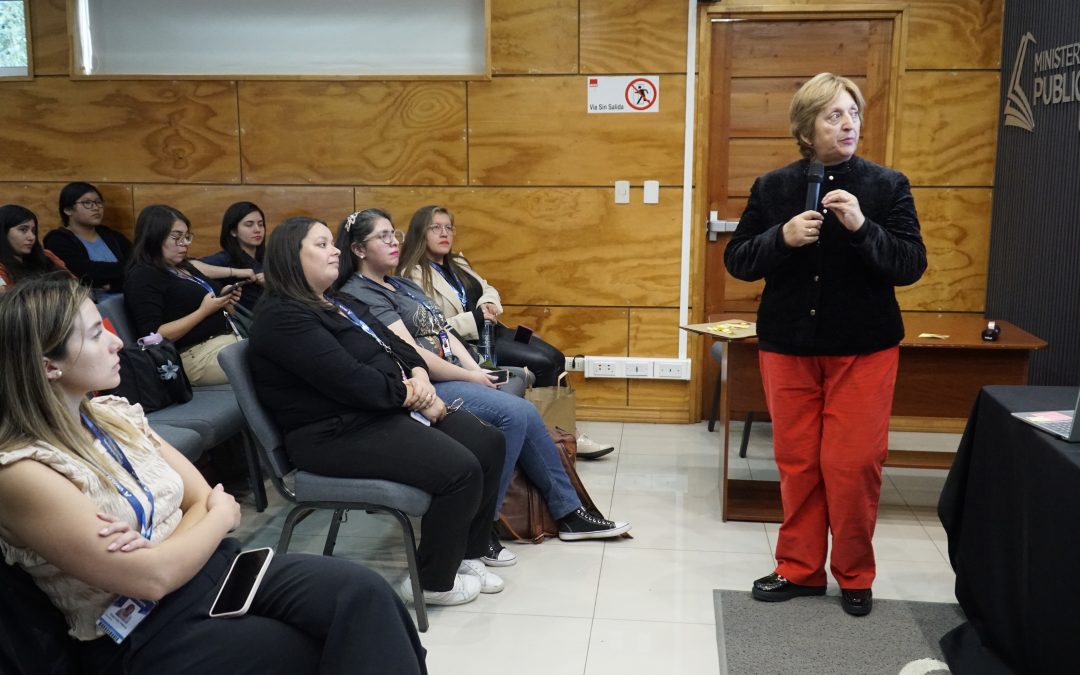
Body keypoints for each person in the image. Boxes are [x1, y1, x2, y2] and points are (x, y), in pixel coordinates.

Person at [0, 276, 427, 674]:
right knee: (304, 651)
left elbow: (203, 497)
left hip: (213, 571)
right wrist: (212, 520)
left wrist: (170, 542)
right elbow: (152, 577)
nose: (116, 343)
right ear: (48, 365)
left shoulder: (114, 417)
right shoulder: (23, 471)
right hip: (139, 630)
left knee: (364, 597)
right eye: (95, 335)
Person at [723, 73, 927, 617]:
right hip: (788, 345)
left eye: (853, 114)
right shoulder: (772, 187)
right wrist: (781, 239)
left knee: (852, 464)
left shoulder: (886, 186)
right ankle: (800, 569)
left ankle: (855, 574)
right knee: (797, 463)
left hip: (864, 348)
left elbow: (910, 264)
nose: (848, 124)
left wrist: (862, 227)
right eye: (834, 116)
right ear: (805, 128)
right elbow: (738, 259)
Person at [337, 209, 631, 561]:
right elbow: (410, 353)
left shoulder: (402, 284)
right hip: (428, 385)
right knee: (515, 412)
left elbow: (443, 332)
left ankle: (568, 514)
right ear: (358, 249)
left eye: (394, 234)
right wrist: (468, 376)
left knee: (523, 409)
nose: (393, 242)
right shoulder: (362, 293)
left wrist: (478, 369)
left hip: (456, 372)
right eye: (382, 237)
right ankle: (484, 527)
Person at [248, 216, 507, 606]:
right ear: (290, 257)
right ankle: (433, 582)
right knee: (461, 470)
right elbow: (350, 380)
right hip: (332, 434)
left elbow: (400, 347)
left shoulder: (337, 300)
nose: (334, 249)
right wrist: (416, 397)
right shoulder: (282, 318)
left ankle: (465, 556)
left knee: (488, 442)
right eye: (320, 245)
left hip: (374, 412)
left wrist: (420, 376)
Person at [399, 204, 615, 460]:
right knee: (544, 364)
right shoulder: (412, 275)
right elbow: (432, 328)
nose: (444, 233)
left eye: (448, 227)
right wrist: (475, 318)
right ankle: (562, 437)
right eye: (435, 228)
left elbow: (487, 288)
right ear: (420, 233)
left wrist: (486, 304)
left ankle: (566, 433)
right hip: (470, 343)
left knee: (556, 357)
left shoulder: (458, 262)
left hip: (493, 331)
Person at [124, 205, 243, 386]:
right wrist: (203, 311)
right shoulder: (142, 276)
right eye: (176, 237)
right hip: (194, 357)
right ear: (154, 237)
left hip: (228, 341)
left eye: (187, 237)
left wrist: (225, 299)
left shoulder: (184, 266)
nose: (185, 243)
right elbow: (152, 337)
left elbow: (221, 307)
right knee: (269, 364)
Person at [44, 182, 133, 295]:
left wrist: (112, 285)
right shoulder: (58, 240)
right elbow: (86, 273)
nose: (96, 208)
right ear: (68, 210)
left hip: (128, 299)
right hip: (91, 306)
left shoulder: (111, 235)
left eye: (98, 202)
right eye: (87, 203)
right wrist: (124, 269)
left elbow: (138, 266)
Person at [198, 201, 267, 312]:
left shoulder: (270, 256)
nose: (257, 230)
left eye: (260, 224)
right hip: (247, 323)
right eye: (249, 224)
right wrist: (236, 272)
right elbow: (189, 266)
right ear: (233, 231)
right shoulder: (226, 258)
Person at [1, 204, 73, 290]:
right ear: (3, 233)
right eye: (23, 230)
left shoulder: (46, 255)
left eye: (33, 231)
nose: (31, 237)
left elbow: (75, 286)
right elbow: (7, 299)